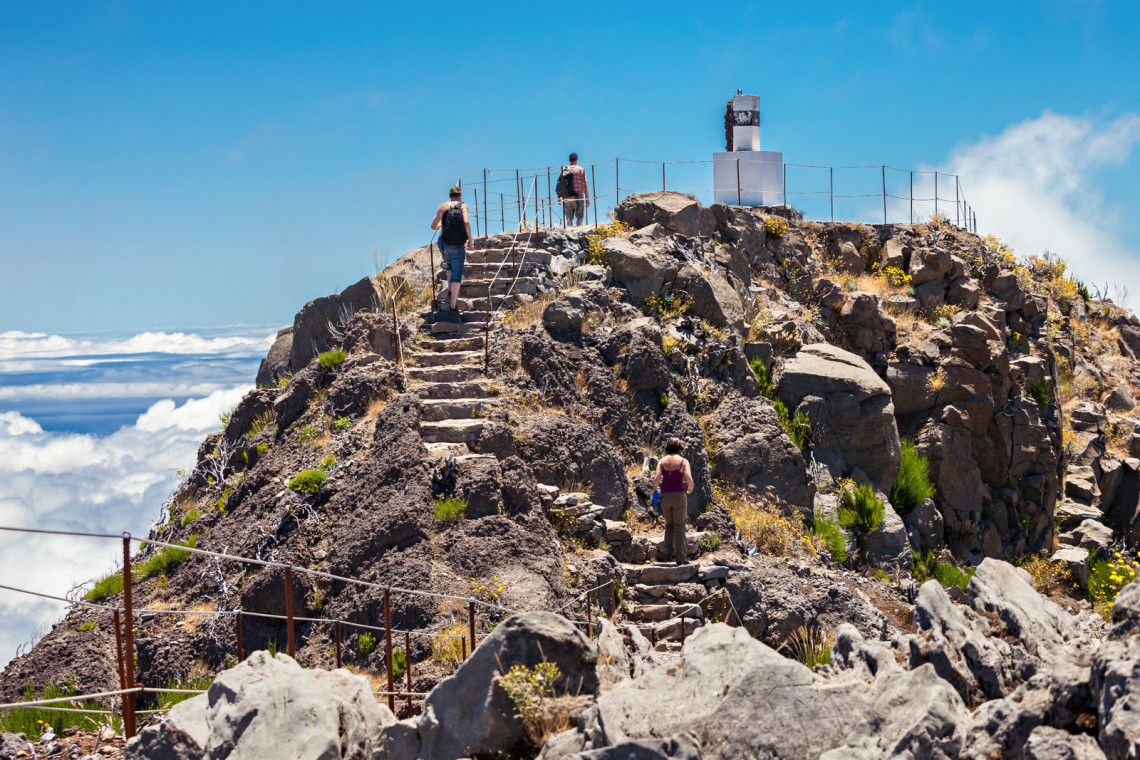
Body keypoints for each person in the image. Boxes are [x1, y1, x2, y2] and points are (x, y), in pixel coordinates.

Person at [430, 185, 473, 313]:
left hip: (444, 242)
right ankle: (453, 306)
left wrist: (439, 226)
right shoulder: (463, 206)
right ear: (460, 196)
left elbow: (432, 226)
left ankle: (449, 289)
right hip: (458, 245)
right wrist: (470, 239)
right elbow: (466, 222)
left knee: (449, 265)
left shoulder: (442, 207)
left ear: (449, 196)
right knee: (457, 274)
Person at [652, 438, 694, 565]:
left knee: (669, 525)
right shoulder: (683, 461)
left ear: (667, 448)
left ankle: (668, 553)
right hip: (678, 496)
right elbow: (689, 478)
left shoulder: (662, 461)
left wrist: (655, 490)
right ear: (680, 448)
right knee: (680, 526)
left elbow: (656, 479)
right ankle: (680, 559)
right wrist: (690, 488)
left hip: (665, 496)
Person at [558, 152, 589, 227]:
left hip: (567, 197)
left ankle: (570, 232)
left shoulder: (564, 169)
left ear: (569, 160)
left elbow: (559, 184)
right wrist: (587, 198)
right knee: (580, 216)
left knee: (569, 218)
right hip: (578, 196)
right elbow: (584, 185)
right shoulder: (580, 169)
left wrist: (559, 197)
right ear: (576, 160)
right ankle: (578, 231)